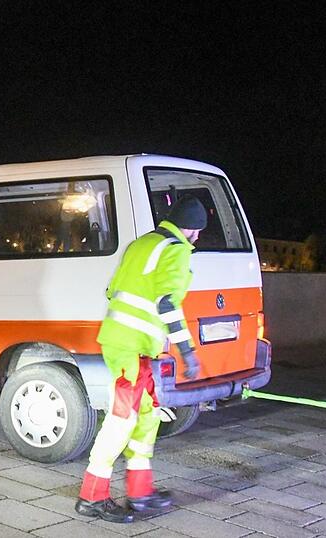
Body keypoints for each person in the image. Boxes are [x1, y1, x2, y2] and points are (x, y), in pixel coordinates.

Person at [75, 195, 208, 523]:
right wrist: (188, 351)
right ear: (192, 230)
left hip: (127, 346)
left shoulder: (141, 244)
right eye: (199, 232)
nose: (197, 238)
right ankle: (92, 497)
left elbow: (112, 291)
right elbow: (166, 303)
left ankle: (140, 491)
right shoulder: (176, 251)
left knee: (147, 415)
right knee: (122, 419)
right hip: (131, 350)